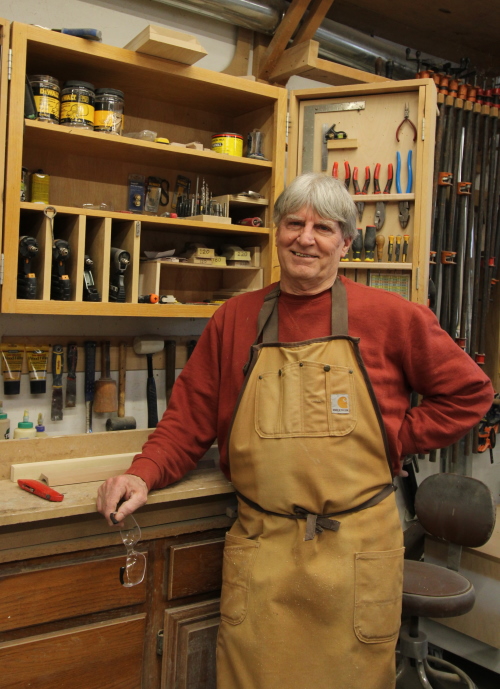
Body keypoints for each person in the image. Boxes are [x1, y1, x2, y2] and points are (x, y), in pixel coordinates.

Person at [97, 172, 493, 689]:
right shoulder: (234, 319)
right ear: (277, 232)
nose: (306, 238)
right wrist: (142, 474)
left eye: (323, 228)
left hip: (357, 553)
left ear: (345, 242)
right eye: (294, 224)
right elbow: (187, 421)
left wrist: (396, 437)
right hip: (264, 551)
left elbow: (470, 393)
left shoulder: (392, 317)